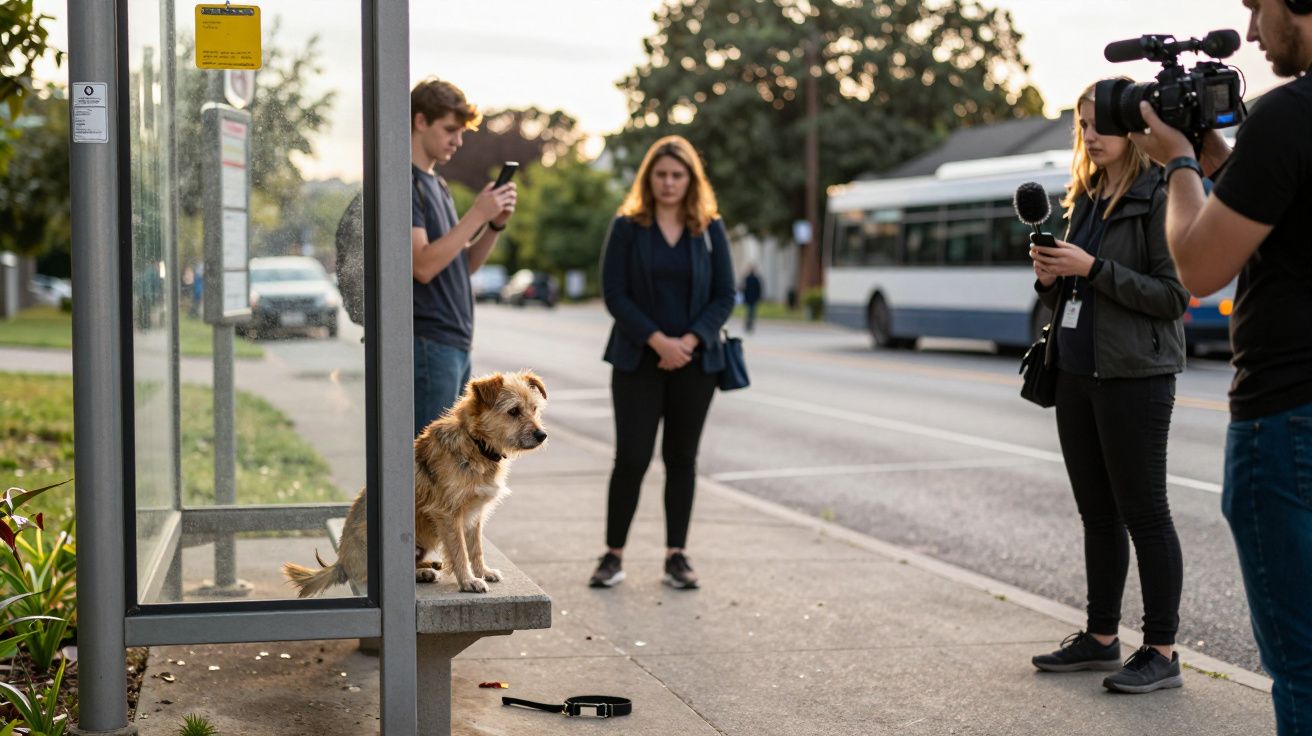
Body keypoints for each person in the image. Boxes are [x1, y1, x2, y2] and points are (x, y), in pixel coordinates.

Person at [1129, 1, 1312, 729]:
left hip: (1289, 415)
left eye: (1258, 7)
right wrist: (1213, 159)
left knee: (1303, 669)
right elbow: (1285, 217)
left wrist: (1176, 164)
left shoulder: (1289, 113)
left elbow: (1200, 266)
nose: (1255, 30)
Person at [1027, 81, 1190, 694]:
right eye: (1083, 125)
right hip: (1076, 369)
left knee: (1145, 513)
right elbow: (1075, 289)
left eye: (1101, 125)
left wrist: (1091, 268)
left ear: (1133, 128)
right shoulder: (1086, 196)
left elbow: (1173, 296)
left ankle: (1162, 651)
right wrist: (1051, 277)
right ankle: (1101, 638)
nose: (1091, 136)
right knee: (1097, 513)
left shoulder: (1160, 193)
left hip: (1136, 376)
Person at [589, 135, 735, 590]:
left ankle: (677, 555)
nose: (669, 183)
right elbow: (614, 293)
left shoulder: (709, 229)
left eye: (678, 175)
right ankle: (612, 555)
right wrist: (658, 341)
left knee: (681, 459)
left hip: (696, 363)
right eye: (661, 174)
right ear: (648, 179)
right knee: (631, 457)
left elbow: (726, 294)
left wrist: (689, 340)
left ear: (691, 180)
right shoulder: (628, 227)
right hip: (638, 359)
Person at [410, 77, 516, 437]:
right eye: (450, 130)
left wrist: (494, 225)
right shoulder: (404, 183)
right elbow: (422, 265)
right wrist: (477, 214)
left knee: (447, 463)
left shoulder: (436, 184)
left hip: (453, 342)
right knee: (429, 467)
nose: (457, 141)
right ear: (420, 121)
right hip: (428, 343)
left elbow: (461, 263)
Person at [742, 266, 763, 333]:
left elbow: (758, 289)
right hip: (751, 298)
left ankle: (749, 325)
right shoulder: (750, 279)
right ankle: (749, 325)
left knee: (750, 312)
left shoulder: (749, 279)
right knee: (750, 312)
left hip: (751, 298)